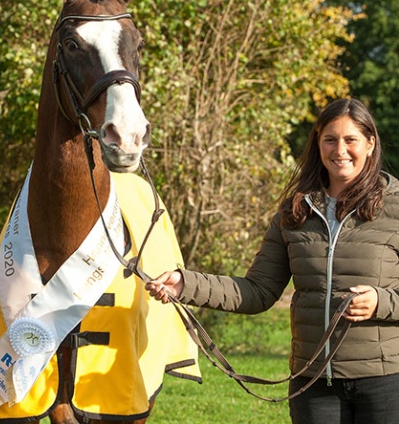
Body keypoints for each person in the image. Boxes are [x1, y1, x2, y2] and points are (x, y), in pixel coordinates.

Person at [146, 98, 399, 424]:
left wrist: (381, 302)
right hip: (312, 383)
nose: (340, 150)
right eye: (330, 139)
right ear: (318, 143)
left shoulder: (395, 207)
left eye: (351, 140)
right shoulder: (295, 211)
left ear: (370, 144)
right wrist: (186, 284)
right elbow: (257, 291)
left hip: (385, 381)